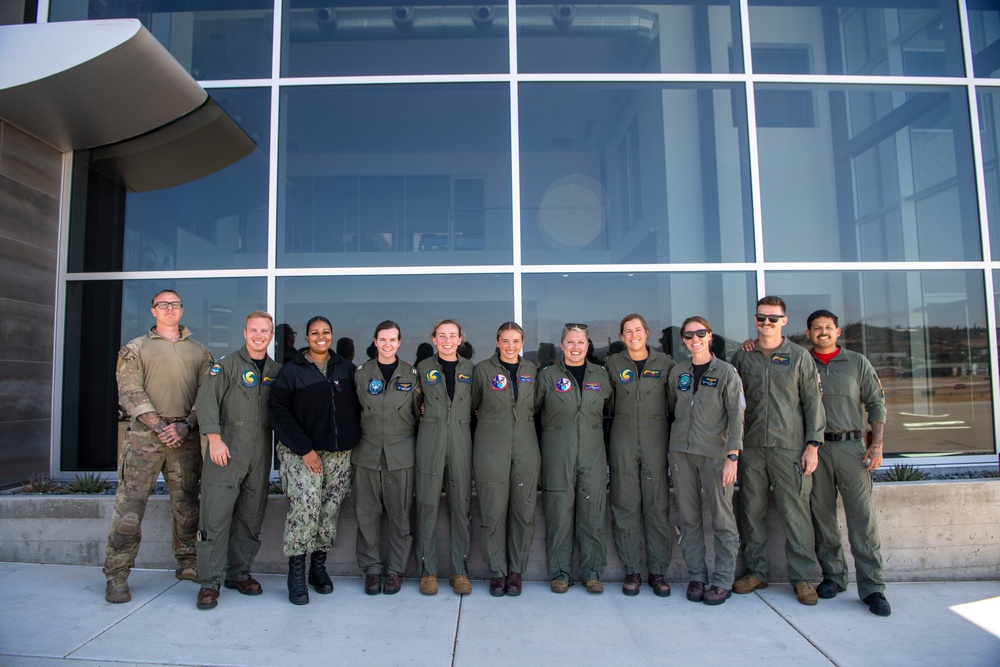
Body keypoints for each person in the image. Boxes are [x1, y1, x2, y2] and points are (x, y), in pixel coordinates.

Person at [104, 290, 213, 603]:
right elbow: (129, 391)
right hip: (145, 439)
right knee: (129, 511)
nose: (170, 309)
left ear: (182, 310)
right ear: (153, 310)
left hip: (184, 437)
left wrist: (184, 425)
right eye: (163, 304)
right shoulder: (135, 349)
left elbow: (207, 394)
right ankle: (117, 575)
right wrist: (160, 426)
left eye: (175, 304)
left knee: (188, 508)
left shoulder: (199, 351)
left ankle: (189, 564)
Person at [730, 296, 825, 605]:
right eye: (761, 318)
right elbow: (732, 403)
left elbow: (812, 402)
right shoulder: (743, 356)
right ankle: (757, 571)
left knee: (795, 514)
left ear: (784, 321)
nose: (766, 323)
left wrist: (813, 444)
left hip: (789, 447)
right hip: (753, 447)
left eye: (773, 318)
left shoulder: (798, 357)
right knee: (751, 512)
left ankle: (802, 578)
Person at [268, 316, 361, 605]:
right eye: (315, 333)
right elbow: (279, 413)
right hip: (301, 452)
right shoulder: (291, 371)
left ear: (332, 335)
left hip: (338, 454)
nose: (321, 337)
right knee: (305, 506)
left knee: (329, 509)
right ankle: (296, 574)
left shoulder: (345, 368)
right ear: (306, 337)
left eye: (326, 332)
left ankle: (317, 569)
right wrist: (304, 449)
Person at [804, 309, 891, 616]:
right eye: (817, 328)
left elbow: (876, 403)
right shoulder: (803, 362)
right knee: (822, 515)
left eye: (828, 327)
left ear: (838, 332)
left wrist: (876, 445)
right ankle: (834, 576)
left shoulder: (856, 362)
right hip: (816, 450)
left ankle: (872, 587)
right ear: (808, 333)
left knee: (862, 519)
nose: (823, 332)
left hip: (853, 448)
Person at [193, 311, 281, 610]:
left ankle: (238, 573)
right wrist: (214, 439)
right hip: (226, 453)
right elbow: (207, 403)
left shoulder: (275, 370)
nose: (259, 336)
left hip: (259, 454)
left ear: (271, 336)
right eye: (254, 330)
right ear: (245, 333)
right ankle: (209, 582)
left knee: (250, 517)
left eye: (265, 331)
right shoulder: (225, 366)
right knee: (215, 519)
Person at [667, 317, 744, 606]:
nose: (695, 338)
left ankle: (723, 580)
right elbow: (673, 408)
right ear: (684, 340)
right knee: (688, 519)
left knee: (722, 519)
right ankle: (697, 576)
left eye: (700, 333)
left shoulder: (725, 372)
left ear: (709, 336)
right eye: (689, 335)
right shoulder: (678, 372)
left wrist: (732, 456)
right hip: (682, 453)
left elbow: (737, 415)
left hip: (715, 454)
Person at [536, 323, 614, 594]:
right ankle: (560, 573)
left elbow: (614, 408)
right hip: (558, 454)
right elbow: (530, 410)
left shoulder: (602, 376)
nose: (576, 347)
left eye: (581, 342)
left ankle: (592, 573)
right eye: (570, 342)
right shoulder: (547, 376)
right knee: (558, 515)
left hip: (592, 455)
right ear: (562, 345)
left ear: (588, 345)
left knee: (593, 514)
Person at [604, 313, 676, 597]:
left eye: (638, 330)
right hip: (621, 439)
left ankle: (658, 571)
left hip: (655, 438)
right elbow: (605, 401)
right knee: (625, 507)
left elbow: (675, 402)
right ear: (622, 337)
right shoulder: (613, 364)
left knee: (657, 507)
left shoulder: (666, 364)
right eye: (627, 331)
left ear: (647, 332)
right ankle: (631, 569)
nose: (633, 335)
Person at [471, 322, 540, 597]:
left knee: (523, 512)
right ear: (497, 342)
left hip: (525, 444)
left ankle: (516, 572)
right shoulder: (483, 371)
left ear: (522, 342)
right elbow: (471, 403)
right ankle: (497, 572)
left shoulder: (531, 370)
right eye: (506, 341)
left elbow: (536, 405)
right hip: (490, 445)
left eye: (516, 341)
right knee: (492, 511)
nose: (511, 346)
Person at [352, 320, 421, 596]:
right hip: (366, 454)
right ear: (375, 341)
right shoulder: (361, 374)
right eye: (383, 339)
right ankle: (371, 570)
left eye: (393, 340)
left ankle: (395, 571)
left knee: (400, 516)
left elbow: (419, 415)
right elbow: (353, 412)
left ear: (400, 342)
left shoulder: (411, 374)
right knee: (366, 515)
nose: (387, 344)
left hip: (400, 456)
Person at [415, 320, 475, 595]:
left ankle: (459, 571)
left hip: (461, 439)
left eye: (453, 335)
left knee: (460, 506)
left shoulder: (470, 369)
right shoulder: (423, 368)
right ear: (434, 339)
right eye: (442, 335)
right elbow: (412, 406)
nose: (448, 340)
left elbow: (479, 404)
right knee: (427, 503)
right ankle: (427, 572)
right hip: (431, 438)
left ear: (460, 339)